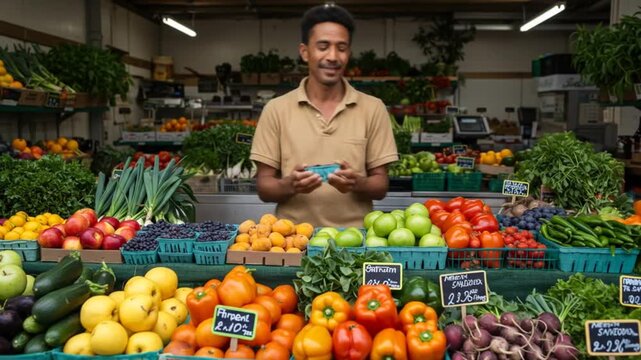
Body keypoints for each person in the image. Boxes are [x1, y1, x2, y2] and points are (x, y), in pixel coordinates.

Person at [250, 3, 398, 227]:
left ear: (348, 53)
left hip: (357, 242)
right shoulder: (276, 109)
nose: (332, 56)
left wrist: (357, 183)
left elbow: (381, 186)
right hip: (292, 242)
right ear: (304, 52)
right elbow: (264, 187)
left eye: (341, 48)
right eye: (323, 46)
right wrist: (290, 185)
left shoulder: (373, 108)